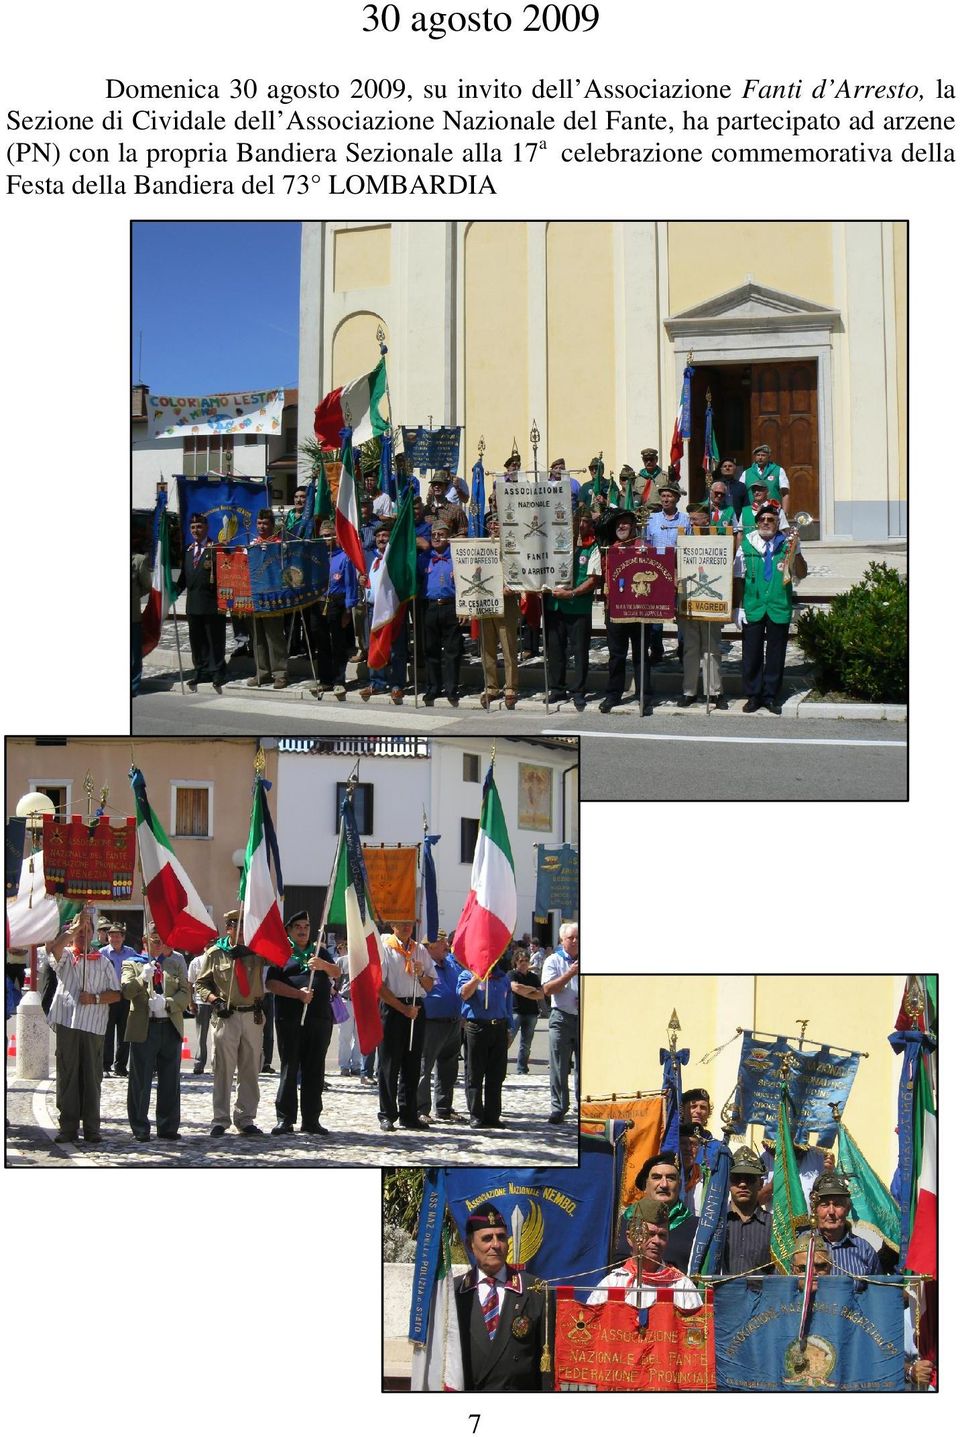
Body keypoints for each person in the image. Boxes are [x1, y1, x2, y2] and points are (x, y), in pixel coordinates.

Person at [455, 1206, 551, 1392]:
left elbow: (547, 1368)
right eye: (486, 1238)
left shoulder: (536, 1291)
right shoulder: (455, 1293)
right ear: (470, 1245)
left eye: (501, 1237)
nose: (496, 1245)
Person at [46, 914, 121, 1144]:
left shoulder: (103, 961)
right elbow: (53, 950)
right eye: (79, 931)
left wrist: (96, 998)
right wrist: (72, 929)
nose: (82, 935)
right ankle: (67, 1127)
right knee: (67, 1074)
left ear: (92, 934)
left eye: (87, 931)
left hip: (93, 1025)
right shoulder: (66, 956)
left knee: (91, 1076)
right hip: (68, 1022)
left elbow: (116, 994)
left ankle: (91, 1127)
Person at [265, 910, 341, 1136]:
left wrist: (323, 965)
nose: (302, 930)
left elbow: (337, 972)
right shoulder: (282, 953)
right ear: (289, 930)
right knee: (290, 1069)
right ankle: (285, 1119)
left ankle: (311, 1120)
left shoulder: (320, 952)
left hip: (319, 1020)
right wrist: (297, 994)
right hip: (290, 1020)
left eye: (306, 926)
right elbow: (271, 984)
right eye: (297, 926)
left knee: (314, 1070)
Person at [194, 913, 270, 1137]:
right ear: (229, 927)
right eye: (239, 925)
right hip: (227, 1015)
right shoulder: (215, 954)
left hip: (252, 1015)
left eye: (247, 925)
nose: (244, 929)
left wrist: (253, 950)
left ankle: (245, 1118)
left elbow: (280, 956)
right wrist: (214, 1000)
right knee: (223, 1070)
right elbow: (201, 984)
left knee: (250, 1070)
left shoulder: (259, 950)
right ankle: (220, 1119)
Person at [121, 923, 191, 1142]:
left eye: (162, 937)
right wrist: (143, 977)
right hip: (145, 1027)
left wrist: (167, 1003)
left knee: (170, 1080)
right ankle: (140, 1127)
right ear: (144, 941)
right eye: (154, 937)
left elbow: (186, 993)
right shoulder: (132, 963)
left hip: (169, 1026)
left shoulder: (175, 962)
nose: (159, 941)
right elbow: (126, 991)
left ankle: (168, 1125)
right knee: (140, 1081)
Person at [739, 502, 807, 715]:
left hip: (779, 605)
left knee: (776, 653)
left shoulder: (788, 543)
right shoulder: (747, 544)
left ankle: (770, 696)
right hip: (754, 605)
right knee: (751, 653)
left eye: (771, 520)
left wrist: (796, 552)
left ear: (778, 523)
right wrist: (738, 607)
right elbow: (738, 577)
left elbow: (801, 573)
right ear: (757, 522)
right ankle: (753, 696)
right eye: (762, 519)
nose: (766, 523)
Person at [587, 1197, 702, 1311]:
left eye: (662, 1235)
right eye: (650, 1234)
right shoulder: (612, 1284)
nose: (656, 1241)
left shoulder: (682, 1286)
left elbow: (696, 1326)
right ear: (630, 1237)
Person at [377, 921, 436, 1132]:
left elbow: (430, 985)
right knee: (389, 1064)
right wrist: (402, 1009)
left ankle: (409, 1113)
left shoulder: (419, 949)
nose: (406, 928)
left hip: (416, 1005)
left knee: (412, 1064)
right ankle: (387, 1114)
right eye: (401, 924)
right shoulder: (385, 948)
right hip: (394, 1007)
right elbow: (379, 986)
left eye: (409, 924)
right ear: (393, 925)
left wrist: (421, 974)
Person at [599, 510, 654, 716]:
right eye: (618, 525)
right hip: (615, 609)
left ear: (633, 526)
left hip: (640, 610)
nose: (621, 528)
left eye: (625, 524)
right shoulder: (609, 550)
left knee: (641, 656)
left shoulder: (645, 548)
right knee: (616, 655)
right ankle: (613, 694)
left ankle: (644, 696)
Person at [676, 502, 729, 710]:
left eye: (695, 519)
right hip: (690, 602)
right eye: (690, 519)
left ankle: (714, 692)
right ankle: (689, 691)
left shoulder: (718, 540)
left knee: (712, 649)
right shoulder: (685, 541)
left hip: (712, 603)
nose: (691, 523)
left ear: (706, 520)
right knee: (690, 649)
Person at [545, 517, 601, 711]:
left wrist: (572, 593)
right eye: (576, 521)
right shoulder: (553, 543)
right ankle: (557, 688)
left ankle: (578, 691)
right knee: (555, 650)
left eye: (584, 521)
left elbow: (593, 580)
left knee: (579, 651)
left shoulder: (592, 546)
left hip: (578, 606)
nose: (580, 525)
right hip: (554, 605)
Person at [458, 955, 513, 1130]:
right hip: (477, 1027)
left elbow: (508, 1004)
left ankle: (492, 1115)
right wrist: (478, 977)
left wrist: (510, 1028)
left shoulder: (503, 978)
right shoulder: (467, 975)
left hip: (498, 1027)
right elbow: (464, 994)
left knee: (496, 1075)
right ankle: (476, 1114)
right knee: (474, 1073)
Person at [417, 932, 464, 1124]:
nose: (446, 945)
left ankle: (444, 1107)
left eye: (446, 941)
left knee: (449, 1067)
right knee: (424, 1067)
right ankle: (421, 1108)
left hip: (453, 1022)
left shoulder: (451, 963)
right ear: (429, 947)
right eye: (442, 942)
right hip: (431, 1022)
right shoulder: (424, 965)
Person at [177, 514, 227, 694]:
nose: (196, 531)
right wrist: (173, 592)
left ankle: (217, 671)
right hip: (193, 604)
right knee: (196, 640)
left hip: (212, 603)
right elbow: (184, 576)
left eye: (199, 527)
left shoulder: (215, 548)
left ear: (206, 528)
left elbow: (225, 574)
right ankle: (201, 669)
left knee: (214, 639)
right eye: (193, 528)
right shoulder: (189, 550)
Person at [360, 521, 407, 704]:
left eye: (385, 535)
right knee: (374, 645)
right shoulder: (368, 556)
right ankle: (377, 682)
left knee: (396, 649)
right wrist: (361, 578)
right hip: (372, 608)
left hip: (392, 609)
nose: (381, 538)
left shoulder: (395, 557)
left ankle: (397, 685)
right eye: (378, 535)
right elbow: (363, 576)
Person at [418, 519, 461, 706]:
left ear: (449, 537)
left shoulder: (458, 558)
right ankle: (433, 688)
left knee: (453, 651)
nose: (436, 537)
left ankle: (452, 688)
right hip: (430, 607)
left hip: (451, 606)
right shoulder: (424, 558)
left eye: (441, 534)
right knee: (430, 650)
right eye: (434, 534)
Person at [478, 514, 520, 710]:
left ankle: (511, 687)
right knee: (487, 647)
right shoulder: (478, 546)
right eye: (490, 523)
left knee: (508, 645)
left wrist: (513, 587)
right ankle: (491, 686)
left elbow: (521, 571)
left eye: (497, 522)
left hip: (506, 600)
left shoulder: (512, 547)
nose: (494, 526)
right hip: (485, 601)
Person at [246, 508, 289, 689]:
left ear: (272, 525)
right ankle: (261, 672)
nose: (261, 526)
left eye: (265, 523)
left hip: (273, 597)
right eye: (259, 523)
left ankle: (280, 673)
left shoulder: (280, 545)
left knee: (275, 637)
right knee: (257, 638)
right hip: (255, 597)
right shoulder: (252, 545)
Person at [541, 922, 579, 1125]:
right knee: (559, 1066)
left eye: (578, 937)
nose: (575, 941)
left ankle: (583, 1106)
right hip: (561, 1018)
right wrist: (570, 974)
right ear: (562, 940)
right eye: (570, 938)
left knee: (583, 1067)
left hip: (583, 1018)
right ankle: (558, 1107)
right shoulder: (553, 961)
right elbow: (547, 990)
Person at [634, 1151, 697, 1273]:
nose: (664, 1184)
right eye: (656, 1177)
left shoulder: (698, 1228)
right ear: (645, 1184)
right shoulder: (622, 1222)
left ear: (679, 1186)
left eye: (671, 1178)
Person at [809, 1170, 881, 1276]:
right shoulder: (803, 1245)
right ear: (814, 1209)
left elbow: (877, 1289)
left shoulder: (865, 1250)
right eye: (824, 1205)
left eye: (838, 1204)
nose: (831, 1212)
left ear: (848, 1209)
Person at [719, 1146, 772, 1275]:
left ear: (760, 1183)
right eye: (736, 1179)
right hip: (722, 1294)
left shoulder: (774, 1226)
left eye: (749, 1179)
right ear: (728, 1182)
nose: (742, 1184)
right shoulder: (716, 1223)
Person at [99, 920, 138, 1078]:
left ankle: (121, 1066)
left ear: (123, 938)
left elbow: (138, 970)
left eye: (117, 936)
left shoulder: (130, 953)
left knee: (124, 1034)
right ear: (108, 938)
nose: (114, 939)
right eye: (111, 936)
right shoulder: (102, 953)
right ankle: (105, 1065)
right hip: (108, 995)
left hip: (125, 996)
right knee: (106, 1032)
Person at [507, 947, 543, 1075]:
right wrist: (532, 990)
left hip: (531, 1012)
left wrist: (525, 991)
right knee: (508, 1039)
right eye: (521, 960)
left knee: (526, 1044)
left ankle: (522, 1069)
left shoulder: (533, 977)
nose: (524, 963)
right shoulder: (511, 974)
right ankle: (499, 1066)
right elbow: (515, 987)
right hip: (515, 1011)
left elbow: (541, 994)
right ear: (516, 962)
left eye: (527, 960)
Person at [743, 442, 790, 514]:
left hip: (773, 512)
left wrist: (785, 513)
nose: (760, 457)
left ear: (769, 457)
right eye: (758, 455)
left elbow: (785, 494)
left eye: (763, 455)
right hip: (752, 512)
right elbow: (741, 494)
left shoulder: (778, 470)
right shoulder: (747, 473)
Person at [131, 541, 152, 696]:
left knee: (133, 654)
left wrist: (134, 597)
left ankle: (133, 685)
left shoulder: (138, 560)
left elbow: (146, 586)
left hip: (132, 616)